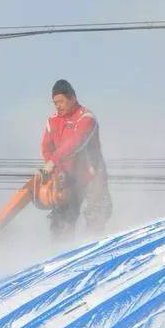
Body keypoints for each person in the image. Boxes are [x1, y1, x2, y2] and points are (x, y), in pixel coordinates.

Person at [40, 79, 112, 236]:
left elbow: (76, 142)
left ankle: (92, 245)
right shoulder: (52, 121)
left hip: (91, 174)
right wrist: (54, 169)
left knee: (98, 210)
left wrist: (53, 162)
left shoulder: (87, 118)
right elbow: (46, 146)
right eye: (55, 102)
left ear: (72, 98)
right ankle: (59, 250)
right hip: (67, 176)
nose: (57, 105)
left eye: (61, 101)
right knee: (63, 217)